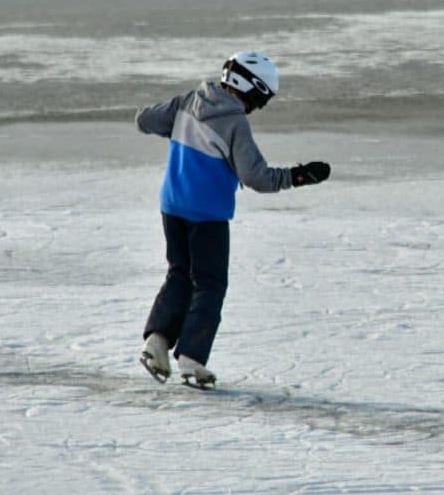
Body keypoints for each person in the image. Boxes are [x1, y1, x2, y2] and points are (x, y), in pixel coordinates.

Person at [136, 51, 331, 388]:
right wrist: (299, 176)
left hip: (172, 205)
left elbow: (144, 120)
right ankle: (192, 358)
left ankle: (157, 342)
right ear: (251, 88)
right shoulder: (234, 122)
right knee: (210, 284)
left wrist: (183, 132)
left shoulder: (189, 101)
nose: (261, 106)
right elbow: (257, 177)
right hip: (207, 214)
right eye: (262, 98)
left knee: (179, 274)